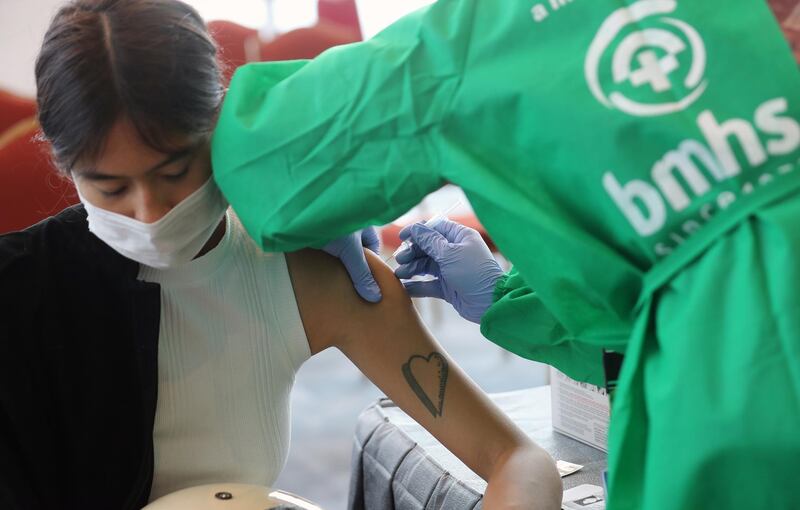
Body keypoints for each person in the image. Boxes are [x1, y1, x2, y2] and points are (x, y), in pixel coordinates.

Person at [211, 0, 800, 508]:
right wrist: (508, 299)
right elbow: (709, 285)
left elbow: (269, 160)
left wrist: (315, 203)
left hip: (737, 434)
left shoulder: (480, 30)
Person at [0, 1, 563, 508]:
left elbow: (519, 462)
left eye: (175, 173)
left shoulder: (311, 275)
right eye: (110, 188)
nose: (150, 213)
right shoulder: (18, 291)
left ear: (223, 125)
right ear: (61, 162)